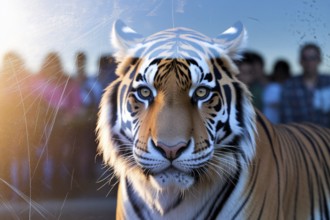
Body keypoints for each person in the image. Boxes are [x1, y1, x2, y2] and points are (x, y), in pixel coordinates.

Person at [31, 52, 81, 196]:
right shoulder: (39, 82)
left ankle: (63, 189)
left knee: (63, 156)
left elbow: (75, 105)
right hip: (44, 125)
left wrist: (67, 117)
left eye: (54, 64)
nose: (52, 67)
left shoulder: (67, 82)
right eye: (49, 64)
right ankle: (43, 188)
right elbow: (34, 104)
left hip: (63, 123)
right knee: (45, 156)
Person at [280, 43, 330, 128]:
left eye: (312, 58)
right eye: (305, 58)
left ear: (319, 60)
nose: (309, 62)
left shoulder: (328, 82)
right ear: (300, 61)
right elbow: (287, 120)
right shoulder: (290, 85)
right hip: (300, 139)